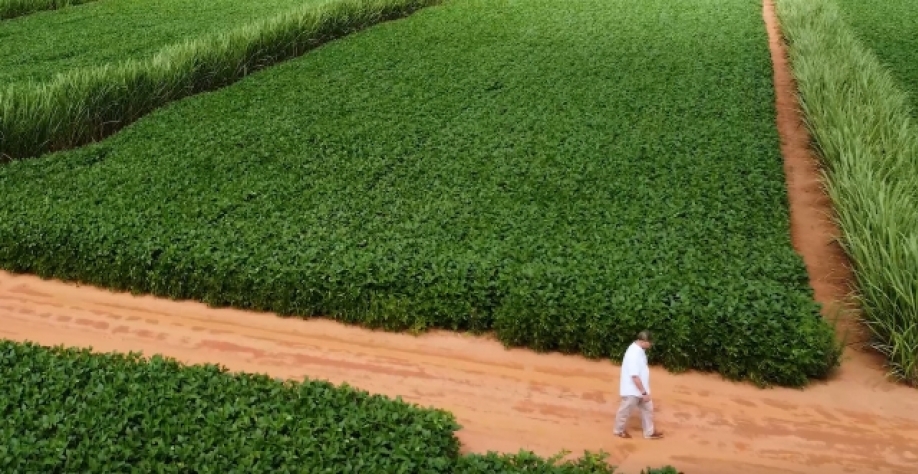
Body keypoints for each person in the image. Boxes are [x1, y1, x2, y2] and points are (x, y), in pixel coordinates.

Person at [613, 330, 663, 439]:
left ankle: (649, 433)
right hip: (632, 390)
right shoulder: (633, 354)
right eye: (650, 343)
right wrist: (644, 392)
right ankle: (618, 430)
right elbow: (634, 376)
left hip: (641, 389)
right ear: (643, 341)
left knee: (648, 409)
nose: (650, 345)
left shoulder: (639, 350)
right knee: (625, 411)